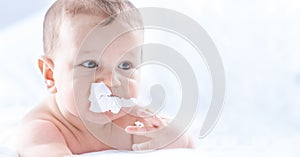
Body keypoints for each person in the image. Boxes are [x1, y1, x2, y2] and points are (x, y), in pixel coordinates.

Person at [16, 0, 194, 156]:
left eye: (125, 66)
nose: (111, 82)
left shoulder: (134, 121)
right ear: (50, 75)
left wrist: (172, 138)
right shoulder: (44, 128)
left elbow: (186, 143)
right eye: (90, 64)